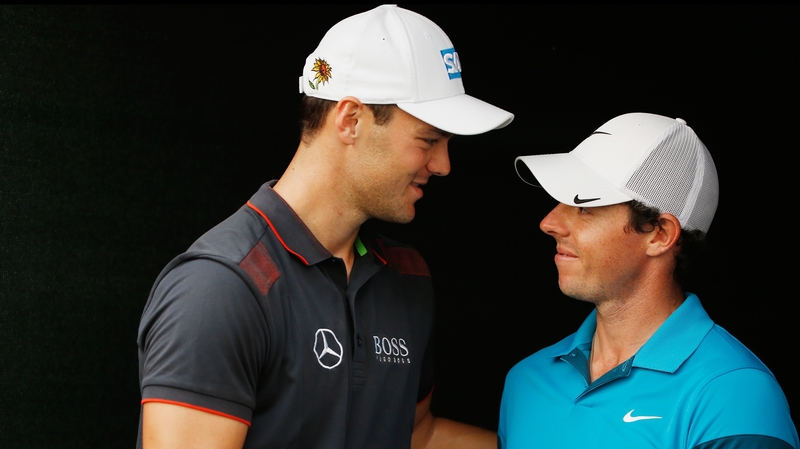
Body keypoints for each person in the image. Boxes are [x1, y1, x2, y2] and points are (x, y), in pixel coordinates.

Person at [136, 5, 513, 449]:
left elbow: (416, 434)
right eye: (428, 140)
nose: (443, 164)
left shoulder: (406, 277)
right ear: (350, 120)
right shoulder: (222, 287)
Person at [499, 112, 798, 448]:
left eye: (583, 206)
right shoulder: (527, 381)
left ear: (660, 234)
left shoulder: (731, 394)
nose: (549, 223)